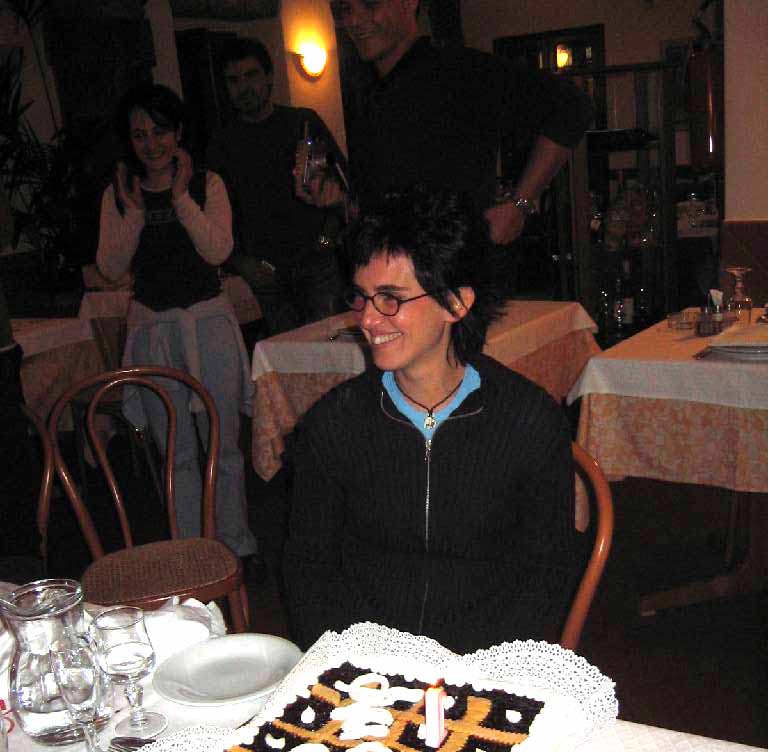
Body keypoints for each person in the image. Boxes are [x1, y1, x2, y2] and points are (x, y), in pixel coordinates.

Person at [282, 187, 579, 654]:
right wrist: (344, 661)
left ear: (456, 303)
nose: (368, 320)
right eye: (362, 297)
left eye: (391, 298)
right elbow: (308, 567)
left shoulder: (528, 422)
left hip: (485, 660)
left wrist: (488, 670)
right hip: (366, 664)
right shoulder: (334, 424)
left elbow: (548, 572)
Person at [298, 0, 592, 279]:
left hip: (455, 277)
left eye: (370, 4)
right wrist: (339, 200)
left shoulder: (460, 71)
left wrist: (520, 204)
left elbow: (572, 108)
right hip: (390, 279)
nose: (354, 19)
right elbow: (380, 201)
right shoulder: (366, 92)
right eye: (344, 9)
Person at [96, 83, 258, 563]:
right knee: (176, 451)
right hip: (153, 331)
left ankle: (235, 544)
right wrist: (137, 212)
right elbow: (110, 267)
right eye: (140, 135)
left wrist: (181, 197)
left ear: (178, 132)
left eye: (159, 131)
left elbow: (218, 250)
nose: (151, 144)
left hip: (208, 324)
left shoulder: (208, 183)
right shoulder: (120, 194)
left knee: (222, 444)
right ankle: (191, 552)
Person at [207, 38, 348, 335]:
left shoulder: (302, 123)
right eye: (233, 80)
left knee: (331, 352)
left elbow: (342, 182)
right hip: (265, 273)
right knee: (284, 357)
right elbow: (217, 213)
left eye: (251, 75)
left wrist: (327, 240)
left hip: (316, 264)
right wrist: (241, 262)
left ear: (269, 77)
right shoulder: (222, 143)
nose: (243, 87)